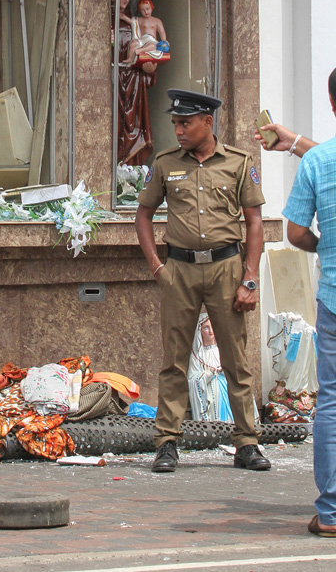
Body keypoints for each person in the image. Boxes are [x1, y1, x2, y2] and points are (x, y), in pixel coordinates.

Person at [135, 88, 270, 473]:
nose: (178, 130)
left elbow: (254, 223)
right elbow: (143, 215)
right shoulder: (165, 163)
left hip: (227, 268)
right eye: (175, 123)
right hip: (179, 269)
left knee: (235, 359)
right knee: (174, 359)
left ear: (207, 122)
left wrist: (250, 279)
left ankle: (247, 443)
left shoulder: (238, 163)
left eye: (186, 123)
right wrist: (156, 267)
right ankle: (167, 442)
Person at [264, 69, 336, 537]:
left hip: (334, 296)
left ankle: (331, 513)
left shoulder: (319, 162)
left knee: (331, 402)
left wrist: (323, 246)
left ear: (331, 103)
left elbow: (293, 232)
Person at [112, 0, 160, 166]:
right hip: (114, 80)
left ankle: (132, 171)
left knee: (134, 126)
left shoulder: (136, 22)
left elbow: (149, 49)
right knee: (115, 125)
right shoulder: (104, 20)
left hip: (135, 80)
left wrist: (150, 69)